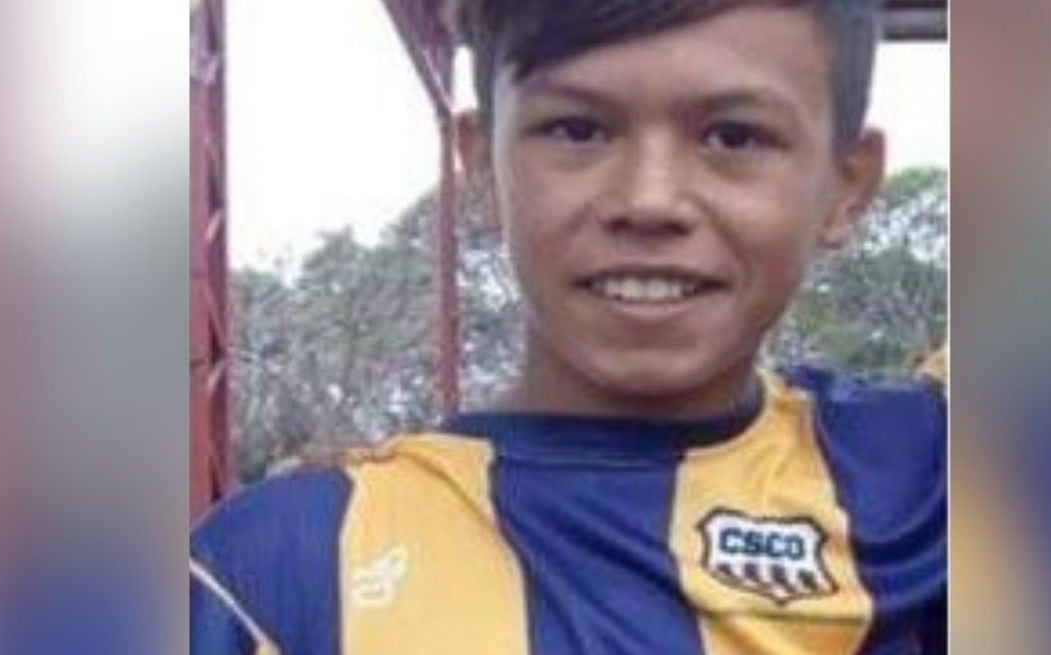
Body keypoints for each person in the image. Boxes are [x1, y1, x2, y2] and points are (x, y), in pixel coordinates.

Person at [190, 1, 945, 653]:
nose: (649, 200)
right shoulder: (276, 576)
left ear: (848, 185)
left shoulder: (925, 481)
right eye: (577, 130)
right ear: (482, 166)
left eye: (733, 137)